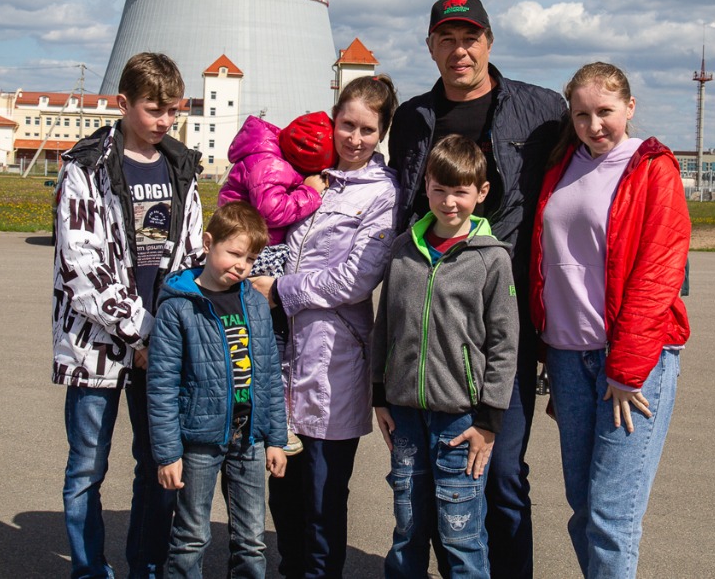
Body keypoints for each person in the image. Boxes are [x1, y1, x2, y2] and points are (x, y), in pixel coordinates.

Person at [388, 0, 566, 578]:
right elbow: (399, 199)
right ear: (430, 46)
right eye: (447, 39)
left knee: (503, 470)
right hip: (436, 323)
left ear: (489, 42)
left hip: (504, 317)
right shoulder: (412, 118)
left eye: (470, 38)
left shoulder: (542, 110)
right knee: (439, 476)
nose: (459, 51)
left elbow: (584, 176)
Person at [529, 62, 691, 579]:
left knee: (610, 516)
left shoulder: (651, 168)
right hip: (568, 359)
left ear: (630, 107)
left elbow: (658, 272)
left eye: (605, 112)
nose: (593, 125)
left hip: (630, 363)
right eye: (581, 115)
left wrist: (626, 369)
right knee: (583, 508)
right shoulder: (563, 165)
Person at [52, 52, 204, 579]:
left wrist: (168, 333)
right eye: (154, 109)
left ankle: (147, 566)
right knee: (86, 468)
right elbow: (80, 264)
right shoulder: (85, 167)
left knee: (159, 464)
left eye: (173, 110)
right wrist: (141, 331)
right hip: (95, 345)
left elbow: (190, 258)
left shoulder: (182, 168)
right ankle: (89, 570)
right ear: (123, 103)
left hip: (160, 345)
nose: (165, 121)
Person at [251, 74, 400, 579]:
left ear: (382, 133)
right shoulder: (308, 175)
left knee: (322, 494)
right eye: (347, 125)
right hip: (278, 353)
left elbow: (354, 280)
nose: (354, 139)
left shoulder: (382, 194)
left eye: (367, 130)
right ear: (333, 121)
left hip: (333, 359)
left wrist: (280, 289)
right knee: (282, 486)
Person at [371, 134, 519, 578]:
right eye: (440, 189)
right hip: (404, 412)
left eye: (461, 191)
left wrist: (489, 419)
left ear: (481, 192)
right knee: (408, 525)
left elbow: (504, 343)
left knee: (461, 535)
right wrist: (379, 393)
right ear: (426, 187)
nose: (449, 202)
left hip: (461, 419)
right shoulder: (403, 249)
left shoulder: (492, 259)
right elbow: (385, 325)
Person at [148, 202, 288, 579]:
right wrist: (168, 454)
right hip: (199, 441)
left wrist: (276, 439)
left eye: (251, 259)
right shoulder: (179, 307)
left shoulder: (255, 303)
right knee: (191, 536)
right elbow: (162, 385)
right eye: (235, 253)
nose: (242, 266)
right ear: (208, 243)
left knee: (252, 540)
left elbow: (269, 374)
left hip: (250, 440)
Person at [219, 111, 335, 456]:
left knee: (272, 339)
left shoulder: (269, 156)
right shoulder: (268, 163)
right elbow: (271, 211)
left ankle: (268, 412)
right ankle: (270, 415)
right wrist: (309, 191)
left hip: (258, 249)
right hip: (254, 252)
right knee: (269, 338)